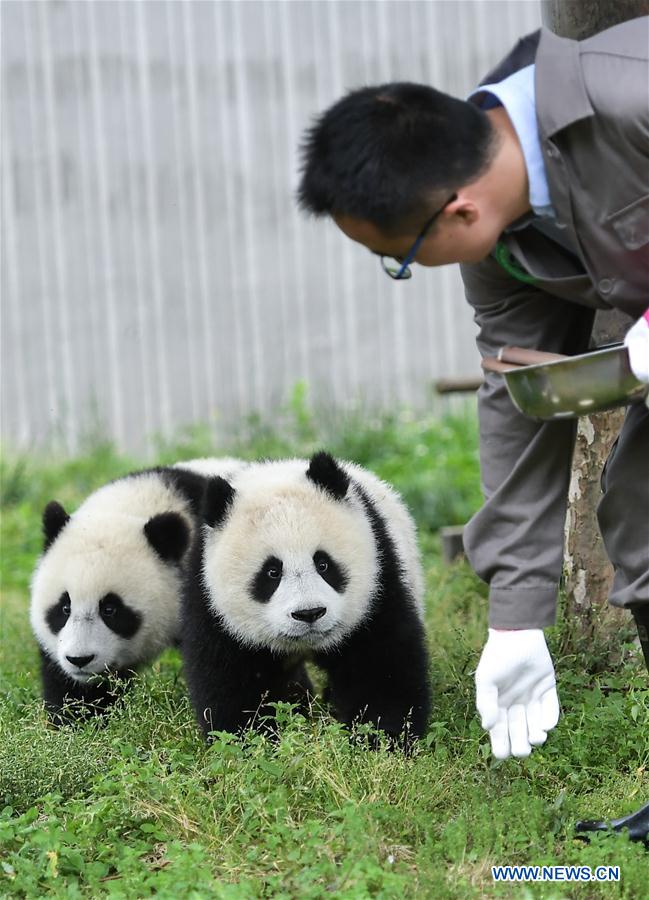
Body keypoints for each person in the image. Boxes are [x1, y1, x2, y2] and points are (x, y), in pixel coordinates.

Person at [297, 16, 649, 843]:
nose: (412, 271)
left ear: (454, 210)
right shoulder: (503, 249)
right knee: (639, 517)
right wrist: (516, 616)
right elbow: (521, 406)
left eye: (403, 257)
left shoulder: (629, 94)